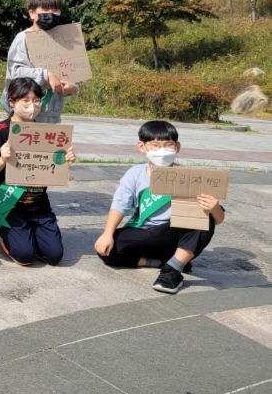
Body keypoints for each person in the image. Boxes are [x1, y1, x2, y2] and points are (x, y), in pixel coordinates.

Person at [94, 120, 225, 294]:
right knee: (107, 249)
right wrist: (107, 234)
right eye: (155, 145)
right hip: (145, 233)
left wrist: (214, 208)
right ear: (142, 147)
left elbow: (217, 220)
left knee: (203, 215)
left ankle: (173, 270)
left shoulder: (190, 178)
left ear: (177, 147)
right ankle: (163, 262)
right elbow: (119, 206)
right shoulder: (134, 174)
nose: (162, 151)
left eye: (168, 145)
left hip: (175, 235)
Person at [0, 77, 76, 267]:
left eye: (36, 100)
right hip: (8, 204)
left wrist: (66, 160)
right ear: (11, 101)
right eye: (25, 100)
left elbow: (52, 167)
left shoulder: (46, 133)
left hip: (38, 205)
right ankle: (0, 230)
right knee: (24, 256)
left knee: (54, 256)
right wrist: (2, 160)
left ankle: (30, 233)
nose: (32, 105)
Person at [5, 0, 78, 124]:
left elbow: (71, 71)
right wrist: (46, 74)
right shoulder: (23, 38)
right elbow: (15, 72)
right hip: (26, 113)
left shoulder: (62, 40)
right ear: (32, 13)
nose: (51, 14)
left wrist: (72, 88)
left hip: (53, 113)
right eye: (45, 10)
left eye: (55, 10)